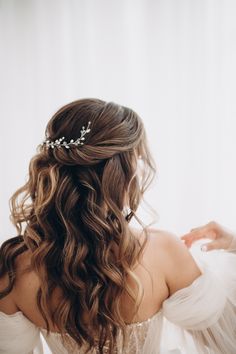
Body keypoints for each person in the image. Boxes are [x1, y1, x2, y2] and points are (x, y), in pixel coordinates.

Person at [0, 99, 235, 354]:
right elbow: (228, 338)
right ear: (121, 173)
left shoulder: (14, 269)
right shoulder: (163, 252)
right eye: (139, 158)